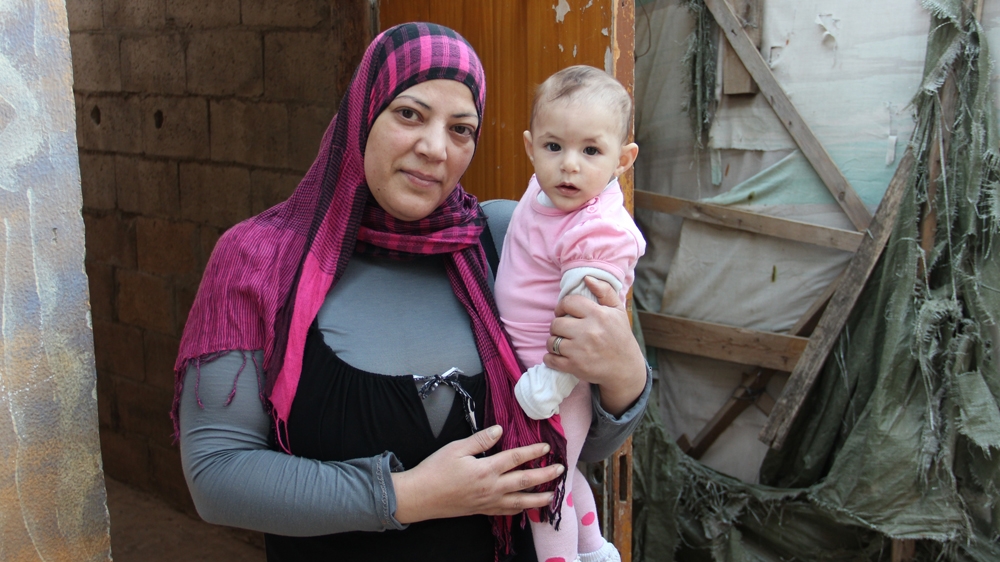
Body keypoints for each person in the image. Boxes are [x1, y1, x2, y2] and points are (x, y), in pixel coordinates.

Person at [172, 23, 650, 562]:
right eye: (409, 114)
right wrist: (411, 496)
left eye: (461, 129)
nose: (433, 148)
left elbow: (567, 443)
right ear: (363, 112)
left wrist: (625, 375)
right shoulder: (260, 263)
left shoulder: (505, 241)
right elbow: (217, 477)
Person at [494, 65, 644, 562]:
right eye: (554, 147)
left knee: (544, 484)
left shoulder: (597, 232)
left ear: (622, 159)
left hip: (557, 379)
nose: (569, 166)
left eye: (591, 151)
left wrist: (549, 385)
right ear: (530, 146)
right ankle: (595, 550)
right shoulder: (544, 197)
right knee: (567, 468)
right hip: (528, 366)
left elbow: (583, 326)